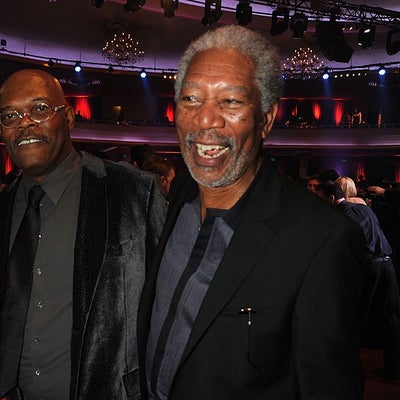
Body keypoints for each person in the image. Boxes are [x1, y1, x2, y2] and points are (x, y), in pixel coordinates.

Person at [137, 25, 366, 400]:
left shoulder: (321, 241)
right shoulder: (179, 193)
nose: (205, 120)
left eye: (230, 101)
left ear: (266, 119)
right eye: (191, 98)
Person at [0, 69, 167, 400]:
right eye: (10, 116)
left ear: (69, 118)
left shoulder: (134, 194)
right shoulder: (3, 208)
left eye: (40, 109)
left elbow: (169, 310)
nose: (25, 123)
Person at [316, 180, 400, 381]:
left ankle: (344, 370)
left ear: (331, 198)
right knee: (391, 318)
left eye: (319, 198)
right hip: (387, 264)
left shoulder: (341, 216)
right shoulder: (362, 208)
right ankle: (395, 369)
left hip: (370, 267)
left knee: (355, 319)